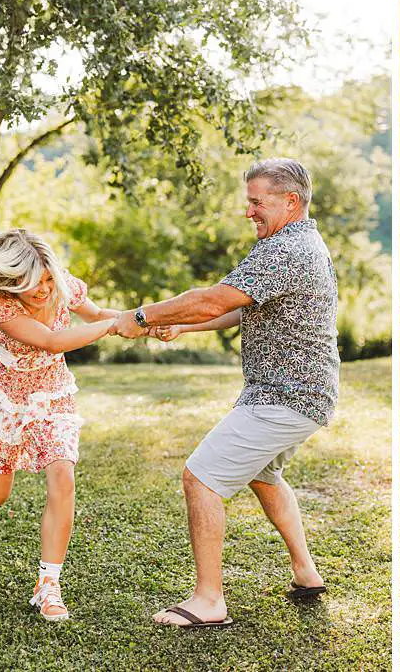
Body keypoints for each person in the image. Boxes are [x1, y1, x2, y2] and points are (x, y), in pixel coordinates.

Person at [113, 157, 339, 629]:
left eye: (257, 202)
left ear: (290, 201)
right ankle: (306, 572)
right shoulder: (293, 242)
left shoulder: (286, 249)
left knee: (201, 478)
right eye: (249, 201)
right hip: (300, 393)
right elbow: (240, 305)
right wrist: (176, 322)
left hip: (287, 394)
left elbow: (215, 297)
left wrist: (142, 316)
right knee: (264, 477)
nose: (249, 211)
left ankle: (209, 601)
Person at [0, 228, 127, 621]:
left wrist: (140, 321)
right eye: (33, 283)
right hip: (6, 397)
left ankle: (48, 585)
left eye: (49, 278)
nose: (44, 289)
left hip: (53, 394)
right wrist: (113, 327)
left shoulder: (62, 284)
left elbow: (98, 315)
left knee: (63, 474)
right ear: (12, 280)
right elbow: (51, 341)